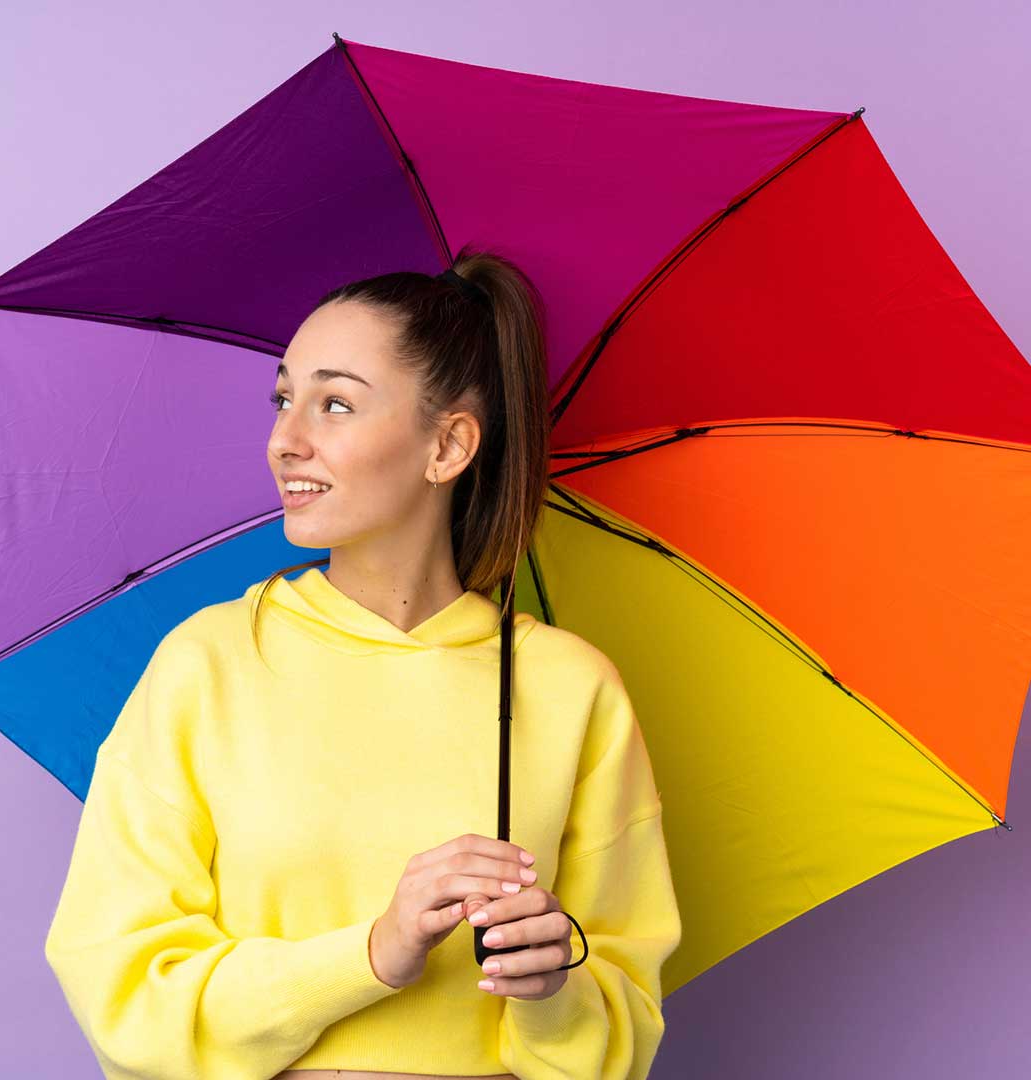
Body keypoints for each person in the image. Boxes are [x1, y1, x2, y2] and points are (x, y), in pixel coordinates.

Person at [44, 245, 682, 1079]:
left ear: (449, 446)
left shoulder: (568, 688)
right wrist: (373, 953)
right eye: (283, 399)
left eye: (335, 404)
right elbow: (122, 988)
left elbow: (622, 1032)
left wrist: (552, 987)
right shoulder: (211, 662)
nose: (284, 441)